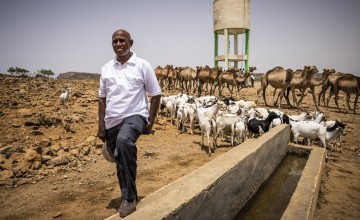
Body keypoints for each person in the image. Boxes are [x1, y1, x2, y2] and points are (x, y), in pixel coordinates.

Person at [97, 29, 162, 218]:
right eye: (115, 41)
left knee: (124, 142)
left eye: (122, 40)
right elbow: (102, 98)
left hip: (136, 115)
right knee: (120, 158)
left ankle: (129, 198)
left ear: (130, 43)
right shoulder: (106, 68)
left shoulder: (142, 65)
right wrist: (101, 126)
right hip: (112, 121)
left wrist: (150, 121)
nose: (118, 44)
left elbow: (156, 94)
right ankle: (127, 190)